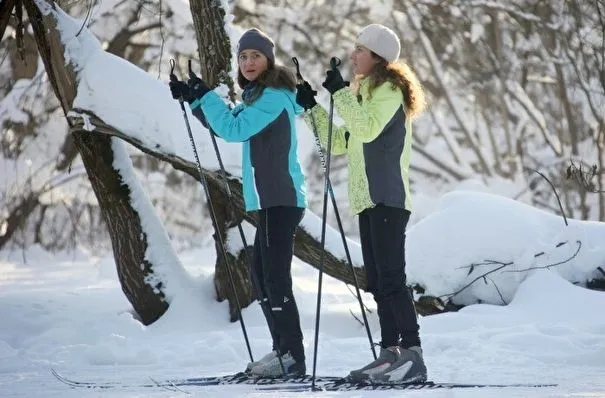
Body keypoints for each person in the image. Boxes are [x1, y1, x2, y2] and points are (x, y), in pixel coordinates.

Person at [169, 28, 307, 377]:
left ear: (268, 61)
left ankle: (292, 355)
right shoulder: (258, 97)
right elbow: (229, 123)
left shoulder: (273, 97)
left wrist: (204, 95)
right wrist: (196, 100)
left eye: (255, 56)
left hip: (282, 198)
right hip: (270, 200)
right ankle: (283, 351)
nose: (248, 62)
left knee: (274, 279)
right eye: (243, 56)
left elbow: (233, 131)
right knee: (262, 276)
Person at [295, 23, 428, 383]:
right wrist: (311, 109)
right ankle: (389, 353)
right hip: (368, 201)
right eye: (354, 49)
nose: (353, 55)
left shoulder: (388, 92)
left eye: (360, 50)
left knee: (392, 278)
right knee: (377, 281)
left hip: (388, 198)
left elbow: (367, 129)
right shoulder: (366, 95)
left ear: (378, 57)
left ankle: (413, 354)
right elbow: (341, 141)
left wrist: (340, 94)